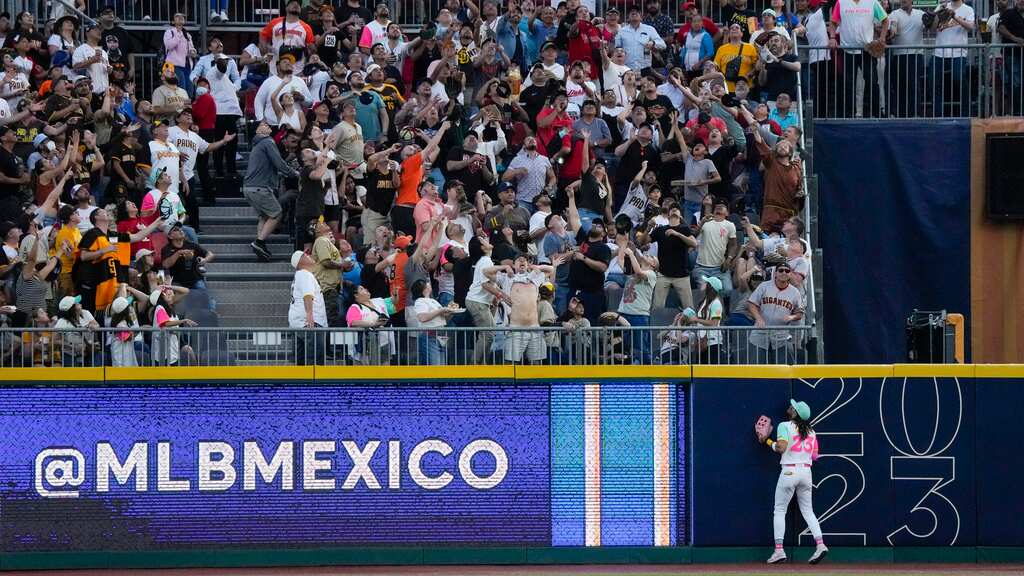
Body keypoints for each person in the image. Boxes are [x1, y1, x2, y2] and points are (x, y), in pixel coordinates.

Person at [764, 399, 828, 565]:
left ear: (795, 413)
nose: (791, 407)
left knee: (779, 510)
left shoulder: (784, 425)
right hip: (806, 472)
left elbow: (781, 448)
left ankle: (779, 550)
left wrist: (767, 441)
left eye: (794, 407)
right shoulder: (812, 432)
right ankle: (820, 545)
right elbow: (815, 456)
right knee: (808, 511)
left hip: (789, 471)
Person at [244, 122, 299, 261]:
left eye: (268, 125)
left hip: (250, 187)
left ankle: (260, 248)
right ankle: (259, 242)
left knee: (265, 216)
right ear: (257, 131)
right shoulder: (267, 141)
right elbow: (278, 163)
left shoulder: (257, 144)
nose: (268, 126)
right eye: (263, 125)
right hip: (260, 187)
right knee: (277, 213)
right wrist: (295, 173)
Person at [490, 255, 555, 365]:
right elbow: (486, 272)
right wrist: (505, 267)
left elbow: (551, 269)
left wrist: (534, 267)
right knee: (510, 364)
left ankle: (535, 383)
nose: (522, 261)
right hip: (516, 329)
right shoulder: (507, 278)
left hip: (534, 328)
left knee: (537, 364)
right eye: (519, 260)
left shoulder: (535, 278)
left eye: (525, 260)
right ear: (514, 264)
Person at [832, 0, 888, 118]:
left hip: (867, 50)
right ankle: (848, 114)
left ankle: (874, 113)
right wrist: (832, 37)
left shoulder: (872, 2)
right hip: (847, 50)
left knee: (872, 82)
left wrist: (882, 38)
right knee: (848, 84)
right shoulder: (841, 2)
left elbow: (885, 20)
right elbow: (833, 22)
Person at [747, 261, 804, 363]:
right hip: (760, 333)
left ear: (790, 274)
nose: (784, 273)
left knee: (783, 370)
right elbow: (751, 304)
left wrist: (791, 317)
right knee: (756, 369)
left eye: (787, 271)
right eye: (781, 270)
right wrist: (759, 318)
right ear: (775, 273)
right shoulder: (764, 286)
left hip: (781, 336)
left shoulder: (795, 292)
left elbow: (800, 313)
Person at [930, 0, 975, 118]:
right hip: (939, 51)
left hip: (958, 52)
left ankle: (965, 114)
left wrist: (954, 16)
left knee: (959, 80)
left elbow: (971, 26)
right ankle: (937, 115)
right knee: (935, 83)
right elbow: (933, 29)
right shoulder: (942, 6)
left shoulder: (967, 9)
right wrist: (939, 12)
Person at [289, 250, 328, 365]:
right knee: (314, 363)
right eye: (305, 255)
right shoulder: (305, 274)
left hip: (298, 323)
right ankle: (312, 384)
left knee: (301, 363)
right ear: (300, 261)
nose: (309, 256)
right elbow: (308, 295)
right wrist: (310, 315)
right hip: (310, 324)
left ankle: (300, 383)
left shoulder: (299, 276)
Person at [412, 277, 457, 365]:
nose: (428, 284)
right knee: (435, 365)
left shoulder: (433, 301)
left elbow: (444, 319)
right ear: (423, 289)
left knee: (441, 366)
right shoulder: (420, 301)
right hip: (430, 335)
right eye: (426, 283)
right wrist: (440, 310)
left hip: (440, 335)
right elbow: (422, 318)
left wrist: (451, 312)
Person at [149, 284, 197, 366]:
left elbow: (186, 291)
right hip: (162, 352)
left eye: (170, 294)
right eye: (167, 294)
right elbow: (165, 323)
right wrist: (183, 320)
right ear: (161, 298)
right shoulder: (160, 308)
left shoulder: (170, 308)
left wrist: (169, 286)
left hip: (172, 349)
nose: (170, 295)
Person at [345, 284, 392, 365]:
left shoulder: (377, 303)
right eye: (361, 289)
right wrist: (373, 324)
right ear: (356, 295)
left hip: (383, 343)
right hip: (364, 348)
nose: (366, 289)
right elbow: (353, 322)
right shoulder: (354, 307)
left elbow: (393, 304)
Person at [161, 222, 214, 290]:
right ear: (170, 236)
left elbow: (210, 254)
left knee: (206, 298)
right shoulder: (167, 249)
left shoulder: (192, 245)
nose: (180, 230)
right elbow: (165, 265)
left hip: (195, 280)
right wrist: (178, 253)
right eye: (176, 230)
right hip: (177, 281)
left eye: (180, 228)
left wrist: (205, 260)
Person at [614, 6, 666, 74]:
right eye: (632, 12)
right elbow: (617, 48)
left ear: (641, 16)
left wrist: (653, 43)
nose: (634, 13)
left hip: (645, 69)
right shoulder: (621, 31)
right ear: (628, 17)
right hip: (627, 69)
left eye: (637, 12)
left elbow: (663, 45)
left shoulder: (650, 29)